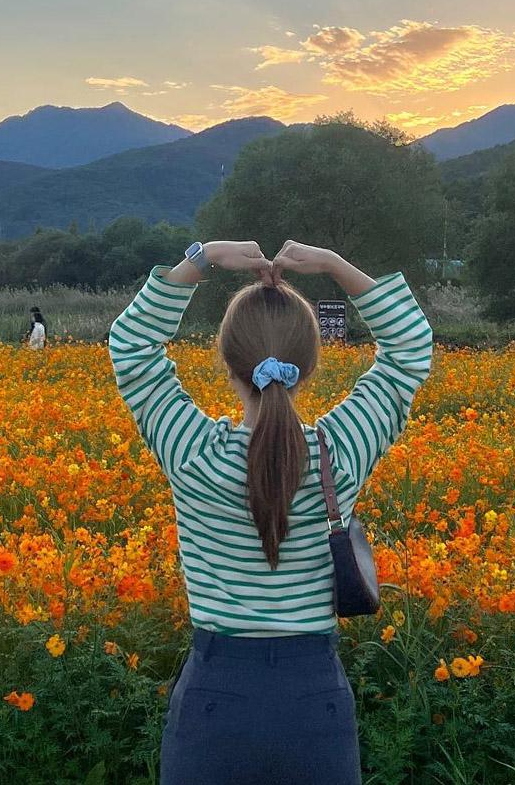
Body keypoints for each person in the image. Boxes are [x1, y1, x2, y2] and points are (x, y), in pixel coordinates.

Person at [109, 239, 433, 785]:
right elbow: (410, 349)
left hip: (215, 698)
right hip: (314, 701)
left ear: (228, 364)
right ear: (308, 367)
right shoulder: (342, 451)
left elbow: (131, 346)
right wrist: (334, 264)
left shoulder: (194, 454)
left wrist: (203, 256)